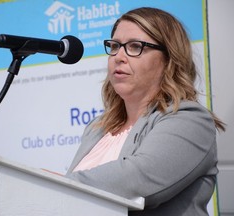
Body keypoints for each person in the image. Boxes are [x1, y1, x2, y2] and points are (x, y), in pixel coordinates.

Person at [65, 7, 225, 216]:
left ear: (169, 60)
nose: (118, 56)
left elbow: (138, 180)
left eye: (135, 46)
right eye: (114, 46)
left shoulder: (191, 120)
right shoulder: (98, 128)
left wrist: (57, 185)